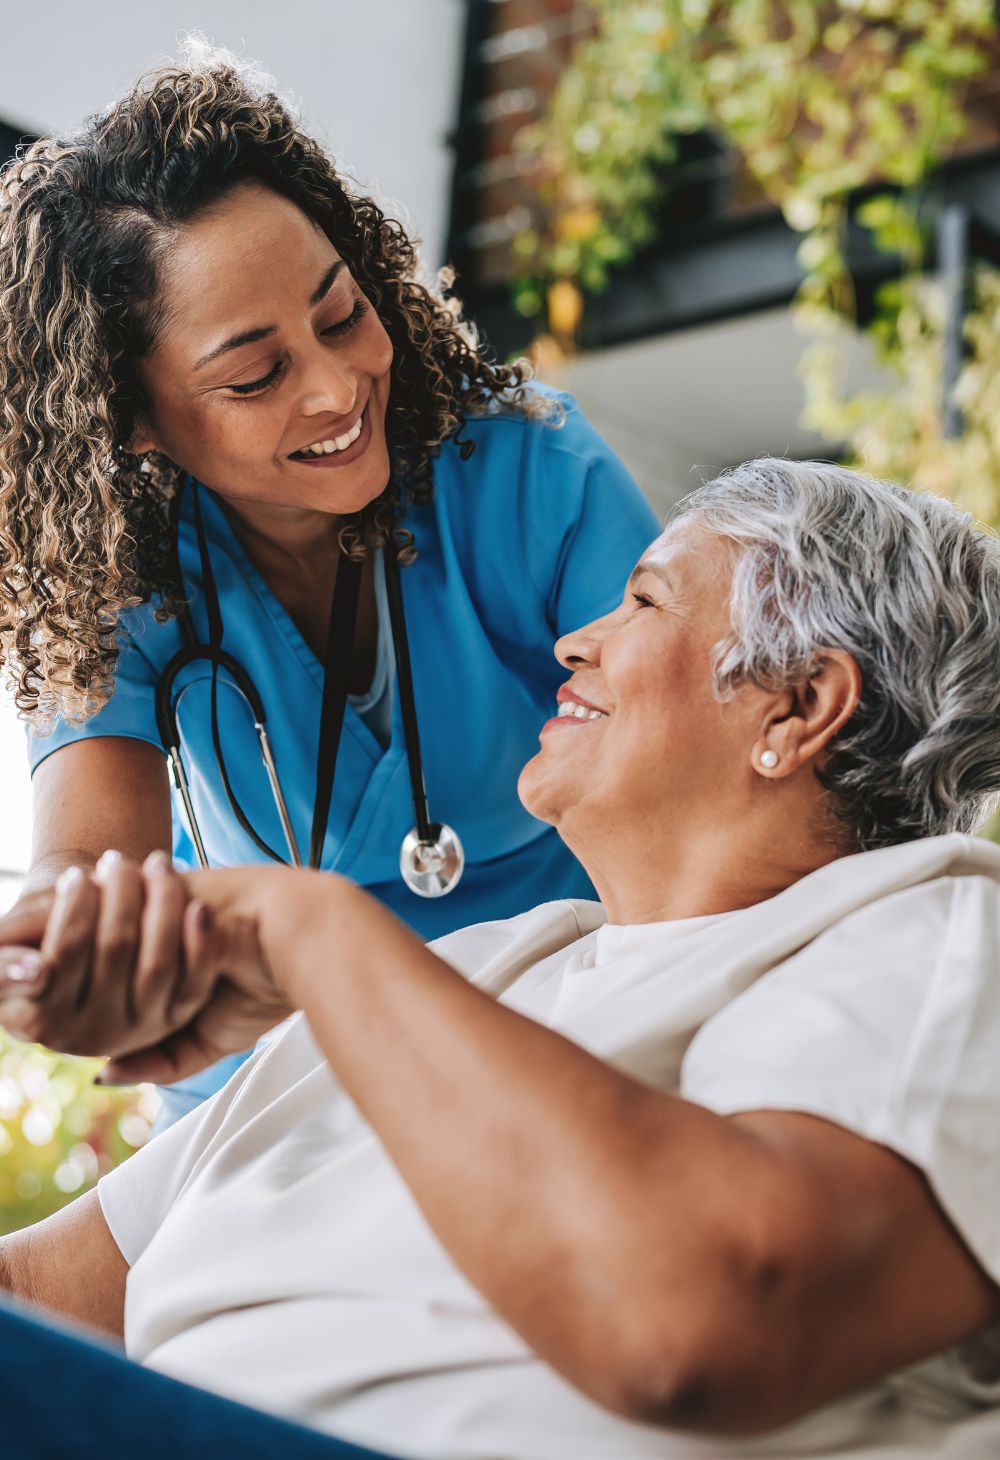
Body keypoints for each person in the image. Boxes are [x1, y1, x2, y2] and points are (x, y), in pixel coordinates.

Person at [3, 458, 1000, 1460]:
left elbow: (697, 1319)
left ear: (798, 704)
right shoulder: (481, 971)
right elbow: (39, 1294)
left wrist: (311, 931)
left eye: (644, 601)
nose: (575, 640)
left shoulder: (938, 934)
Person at [0, 44, 658, 1122]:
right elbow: (83, 860)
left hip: (557, 1019)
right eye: (255, 374)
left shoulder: (536, 474)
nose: (338, 384)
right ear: (131, 417)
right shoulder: (122, 568)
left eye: (342, 311)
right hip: (272, 1071)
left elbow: (694, 770)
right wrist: (67, 951)